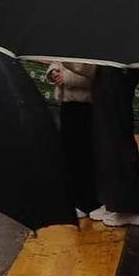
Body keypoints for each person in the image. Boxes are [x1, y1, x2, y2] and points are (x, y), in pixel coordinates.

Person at [87, 66, 139, 227]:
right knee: (106, 138)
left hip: (117, 69)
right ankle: (113, 202)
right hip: (109, 70)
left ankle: (129, 206)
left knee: (115, 136)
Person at [46, 61, 98, 216]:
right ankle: (74, 198)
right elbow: (57, 60)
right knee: (70, 153)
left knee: (84, 154)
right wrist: (53, 72)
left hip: (86, 103)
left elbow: (93, 71)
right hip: (68, 102)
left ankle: (87, 201)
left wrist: (66, 77)